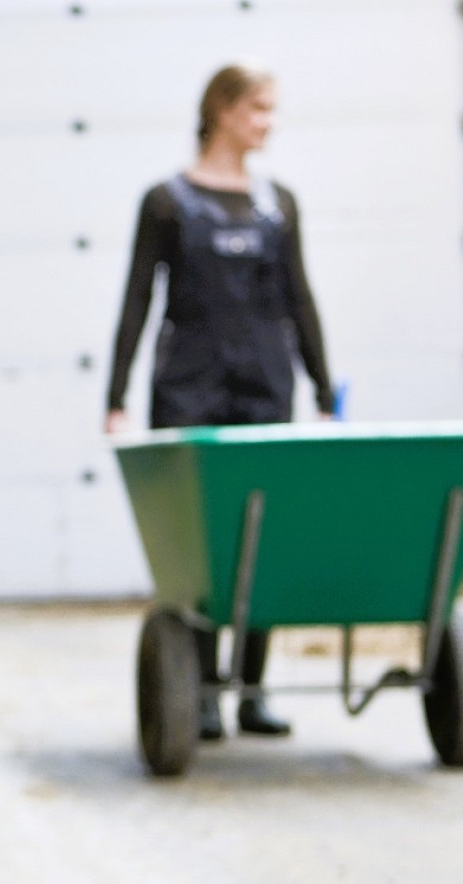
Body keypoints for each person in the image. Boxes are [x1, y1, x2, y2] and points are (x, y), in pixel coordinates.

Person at [106, 63, 334, 741]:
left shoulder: (278, 203)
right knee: (201, 540)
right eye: (260, 109)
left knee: (263, 532)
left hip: (265, 385)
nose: (269, 123)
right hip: (189, 388)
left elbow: (301, 299)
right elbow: (138, 300)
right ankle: (199, 688)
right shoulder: (167, 202)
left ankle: (252, 689)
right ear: (224, 111)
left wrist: (323, 389)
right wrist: (115, 397)